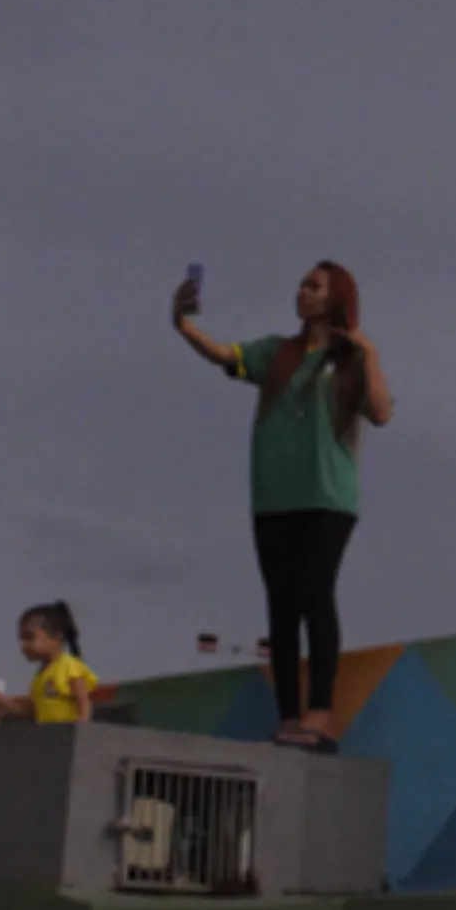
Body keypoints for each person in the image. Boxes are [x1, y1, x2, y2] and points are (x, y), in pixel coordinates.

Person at [172, 260, 393, 752]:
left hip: (327, 497)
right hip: (273, 496)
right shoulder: (277, 352)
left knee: (316, 592)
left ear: (335, 298)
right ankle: (289, 717)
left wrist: (369, 353)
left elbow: (380, 412)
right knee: (281, 604)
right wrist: (183, 324)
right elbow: (223, 354)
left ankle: (321, 713)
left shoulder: (348, 359)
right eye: (301, 284)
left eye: (314, 286)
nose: (303, 291)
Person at [0, 601, 97, 724]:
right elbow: (29, 710)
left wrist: (81, 729)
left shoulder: (69, 666)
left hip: (67, 734)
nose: (23, 645)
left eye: (29, 638)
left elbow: (83, 702)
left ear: (56, 638)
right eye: (21, 639)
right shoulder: (39, 677)